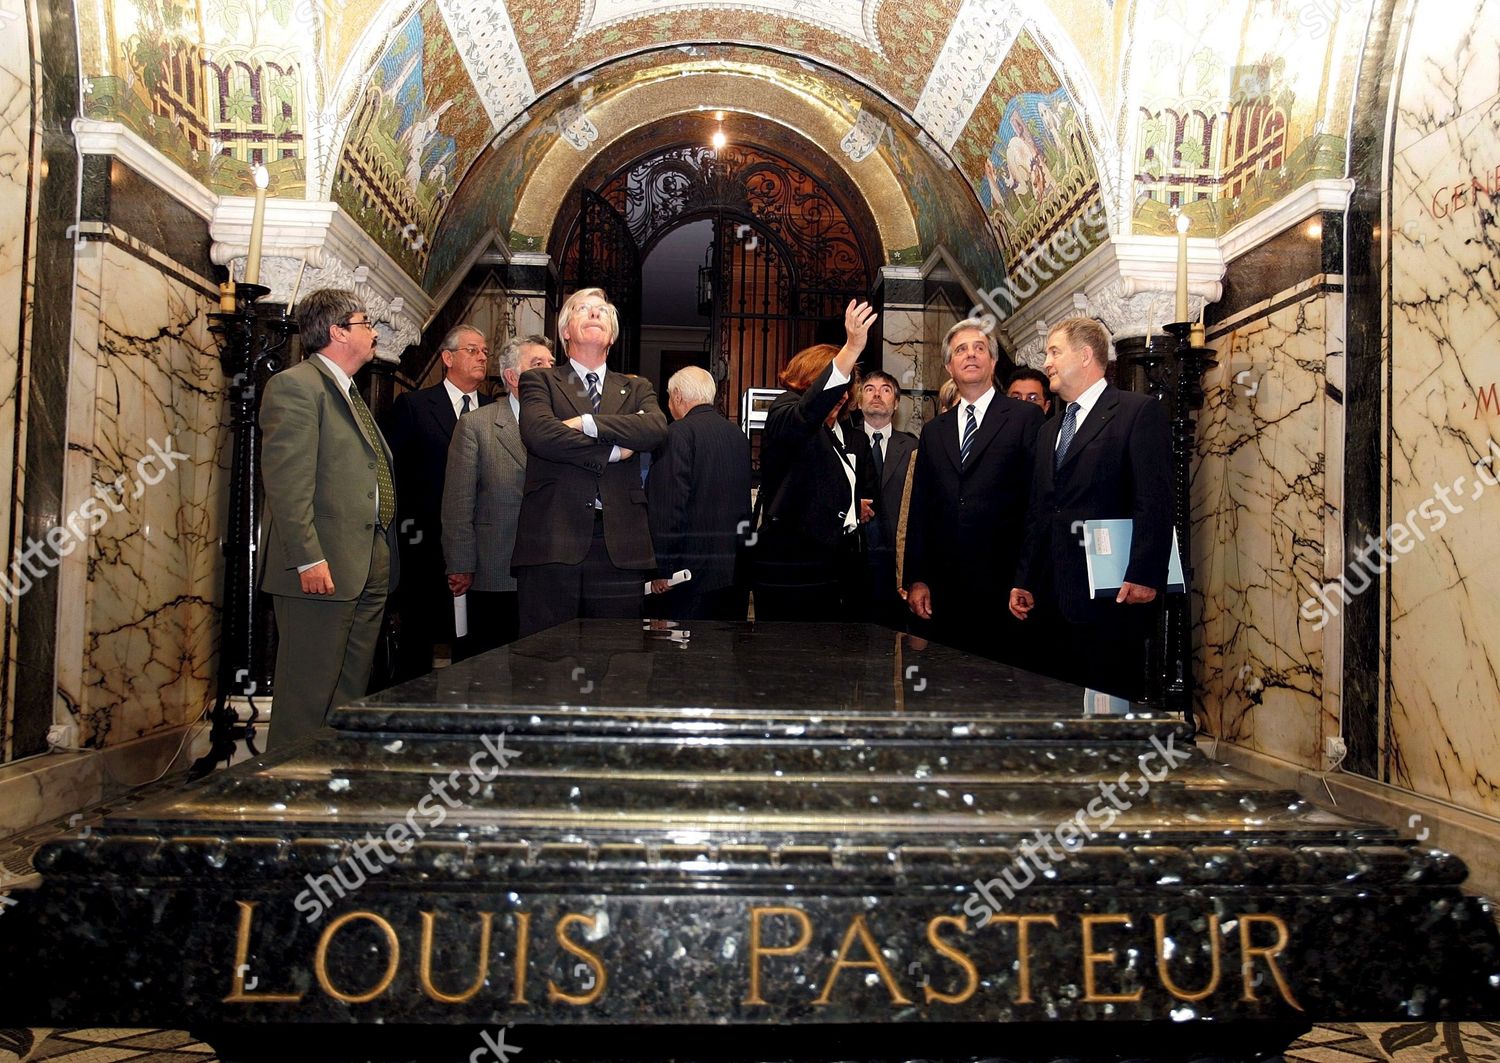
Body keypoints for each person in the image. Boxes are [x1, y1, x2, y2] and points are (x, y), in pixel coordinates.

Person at [259, 289, 399, 749]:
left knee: (348, 691)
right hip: (322, 566)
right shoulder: (297, 385)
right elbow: (287, 484)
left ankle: (330, 779)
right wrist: (307, 558)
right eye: (365, 322)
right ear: (338, 331)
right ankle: (285, 792)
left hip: (366, 562)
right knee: (307, 692)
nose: (375, 332)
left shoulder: (349, 391)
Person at [1009, 316, 1172, 700]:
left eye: (1054, 351)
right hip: (1050, 596)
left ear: (1085, 356)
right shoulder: (1049, 428)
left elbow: (1154, 500)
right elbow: (1040, 511)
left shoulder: (1136, 412)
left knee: (1108, 702)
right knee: (1055, 700)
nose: (1046, 361)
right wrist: (1025, 578)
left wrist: (1145, 575)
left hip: (1111, 594)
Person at [512, 288, 667, 636]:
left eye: (601, 310)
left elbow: (655, 429)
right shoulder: (540, 380)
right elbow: (540, 435)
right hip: (552, 537)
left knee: (618, 660)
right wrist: (614, 449)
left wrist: (587, 423)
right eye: (583, 309)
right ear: (566, 331)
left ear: (611, 334)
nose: (594, 314)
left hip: (621, 544)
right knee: (546, 659)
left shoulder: (637, 387)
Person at [904, 319, 1043, 661]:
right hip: (945, 589)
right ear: (949, 365)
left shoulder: (1025, 418)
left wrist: (1027, 577)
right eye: (961, 350)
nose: (971, 355)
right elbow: (920, 507)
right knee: (946, 688)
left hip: (1004, 585)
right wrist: (917, 578)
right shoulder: (935, 431)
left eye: (980, 348)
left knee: (1000, 690)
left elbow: (1037, 503)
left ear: (993, 362)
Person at [752, 300, 878, 621]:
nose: (845, 395)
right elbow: (805, 416)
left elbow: (819, 484)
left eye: (847, 388)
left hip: (833, 564)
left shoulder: (834, 431)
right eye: (840, 385)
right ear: (812, 379)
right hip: (795, 569)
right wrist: (850, 350)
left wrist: (851, 505)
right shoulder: (786, 409)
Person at [382, 323, 493, 680]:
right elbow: (394, 476)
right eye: (472, 350)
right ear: (447, 358)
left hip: (485, 552)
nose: (481, 357)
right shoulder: (414, 406)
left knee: (477, 647)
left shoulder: (496, 411)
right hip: (426, 551)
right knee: (420, 645)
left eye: (486, 352)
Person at [442, 335, 555, 657]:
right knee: (490, 667)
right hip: (496, 569)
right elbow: (458, 503)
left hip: (550, 570)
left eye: (551, 364)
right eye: (538, 365)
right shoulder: (477, 426)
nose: (550, 371)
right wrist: (460, 564)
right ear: (512, 377)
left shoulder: (565, 426)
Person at [646, 366, 752, 621]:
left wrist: (662, 568)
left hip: (688, 575)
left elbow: (669, 507)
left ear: (679, 397)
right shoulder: (736, 434)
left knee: (682, 655)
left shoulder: (676, 434)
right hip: (733, 571)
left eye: (670, 398)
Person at [857, 370, 917, 628]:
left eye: (886, 389)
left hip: (898, 562)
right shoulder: (843, 442)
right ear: (859, 402)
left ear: (896, 404)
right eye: (869, 389)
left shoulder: (914, 447)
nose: (877, 394)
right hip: (855, 559)